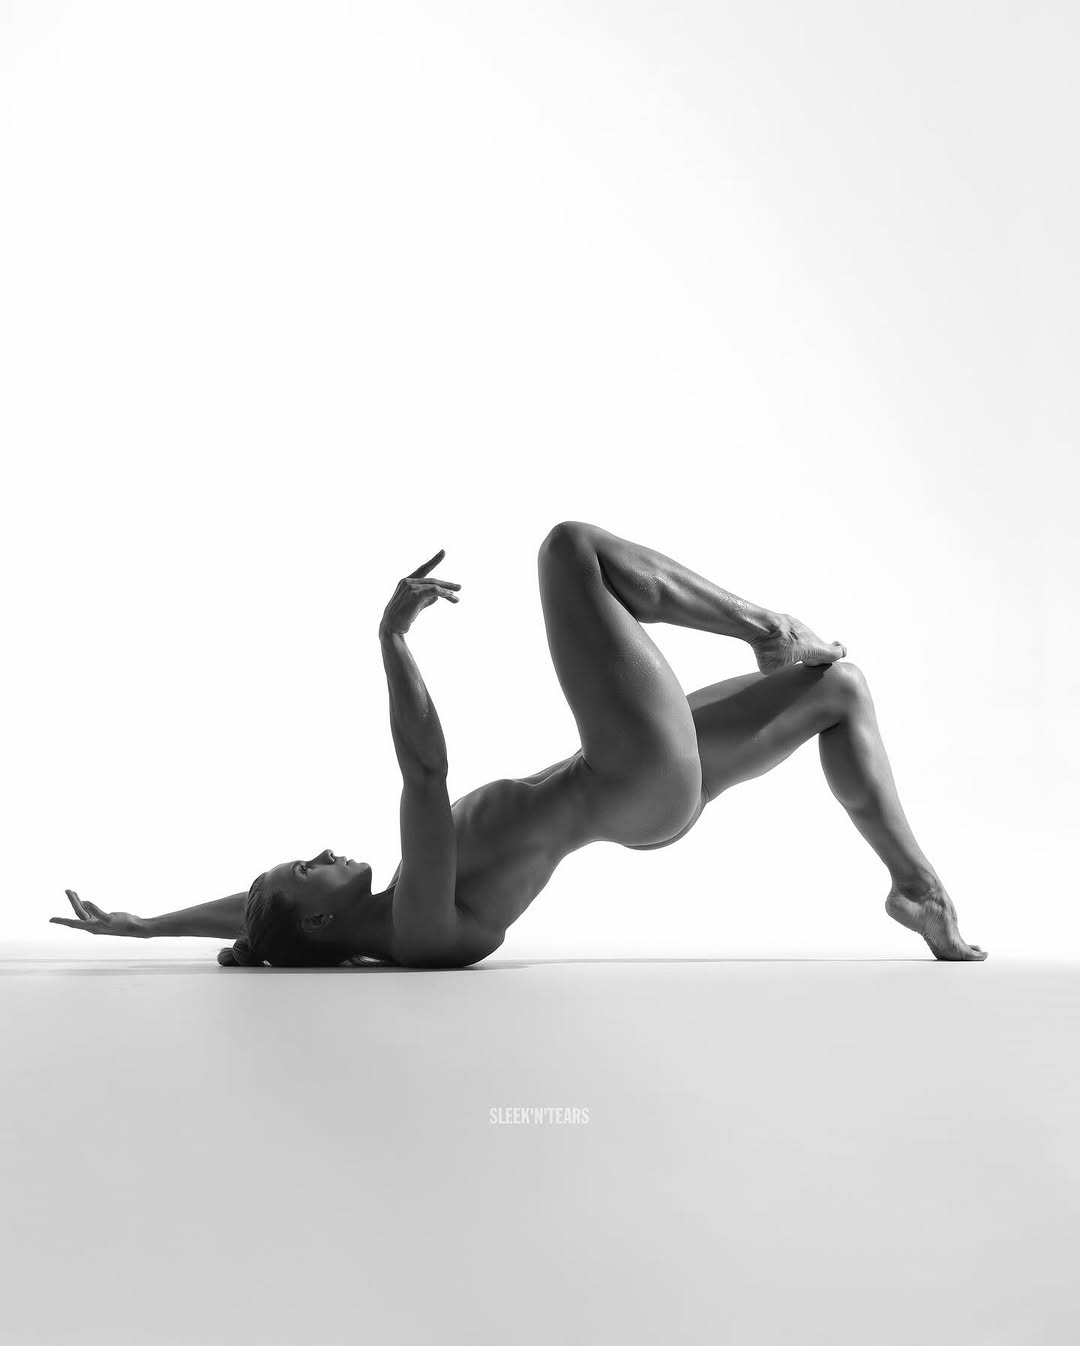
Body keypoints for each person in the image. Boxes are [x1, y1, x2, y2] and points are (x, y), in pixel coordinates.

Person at [51, 521, 987, 967]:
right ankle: (764, 627)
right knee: (569, 552)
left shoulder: (362, 915)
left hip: (640, 792)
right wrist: (391, 639)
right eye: (308, 867)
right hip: (631, 779)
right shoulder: (416, 926)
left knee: (840, 691)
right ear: (323, 923)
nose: (322, 851)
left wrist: (147, 923)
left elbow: (259, 920)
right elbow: (425, 772)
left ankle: (920, 891)